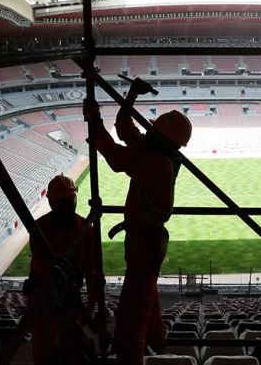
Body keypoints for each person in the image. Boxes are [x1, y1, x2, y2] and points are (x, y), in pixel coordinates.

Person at [84, 78, 191, 365]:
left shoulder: (155, 161)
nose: (148, 130)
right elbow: (124, 128)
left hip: (144, 244)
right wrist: (131, 94)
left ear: (163, 137)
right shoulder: (156, 152)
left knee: (130, 319)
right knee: (146, 296)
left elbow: (115, 155)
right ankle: (158, 338)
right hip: (145, 242)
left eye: (154, 128)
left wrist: (94, 122)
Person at [26, 174, 99, 365]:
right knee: (46, 351)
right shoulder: (40, 229)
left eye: (68, 201)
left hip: (68, 296)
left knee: (74, 346)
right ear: (51, 204)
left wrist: (90, 308)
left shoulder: (84, 229)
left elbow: (93, 272)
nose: (66, 206)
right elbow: (44, 268)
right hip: (45, 296)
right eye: (61, 203)